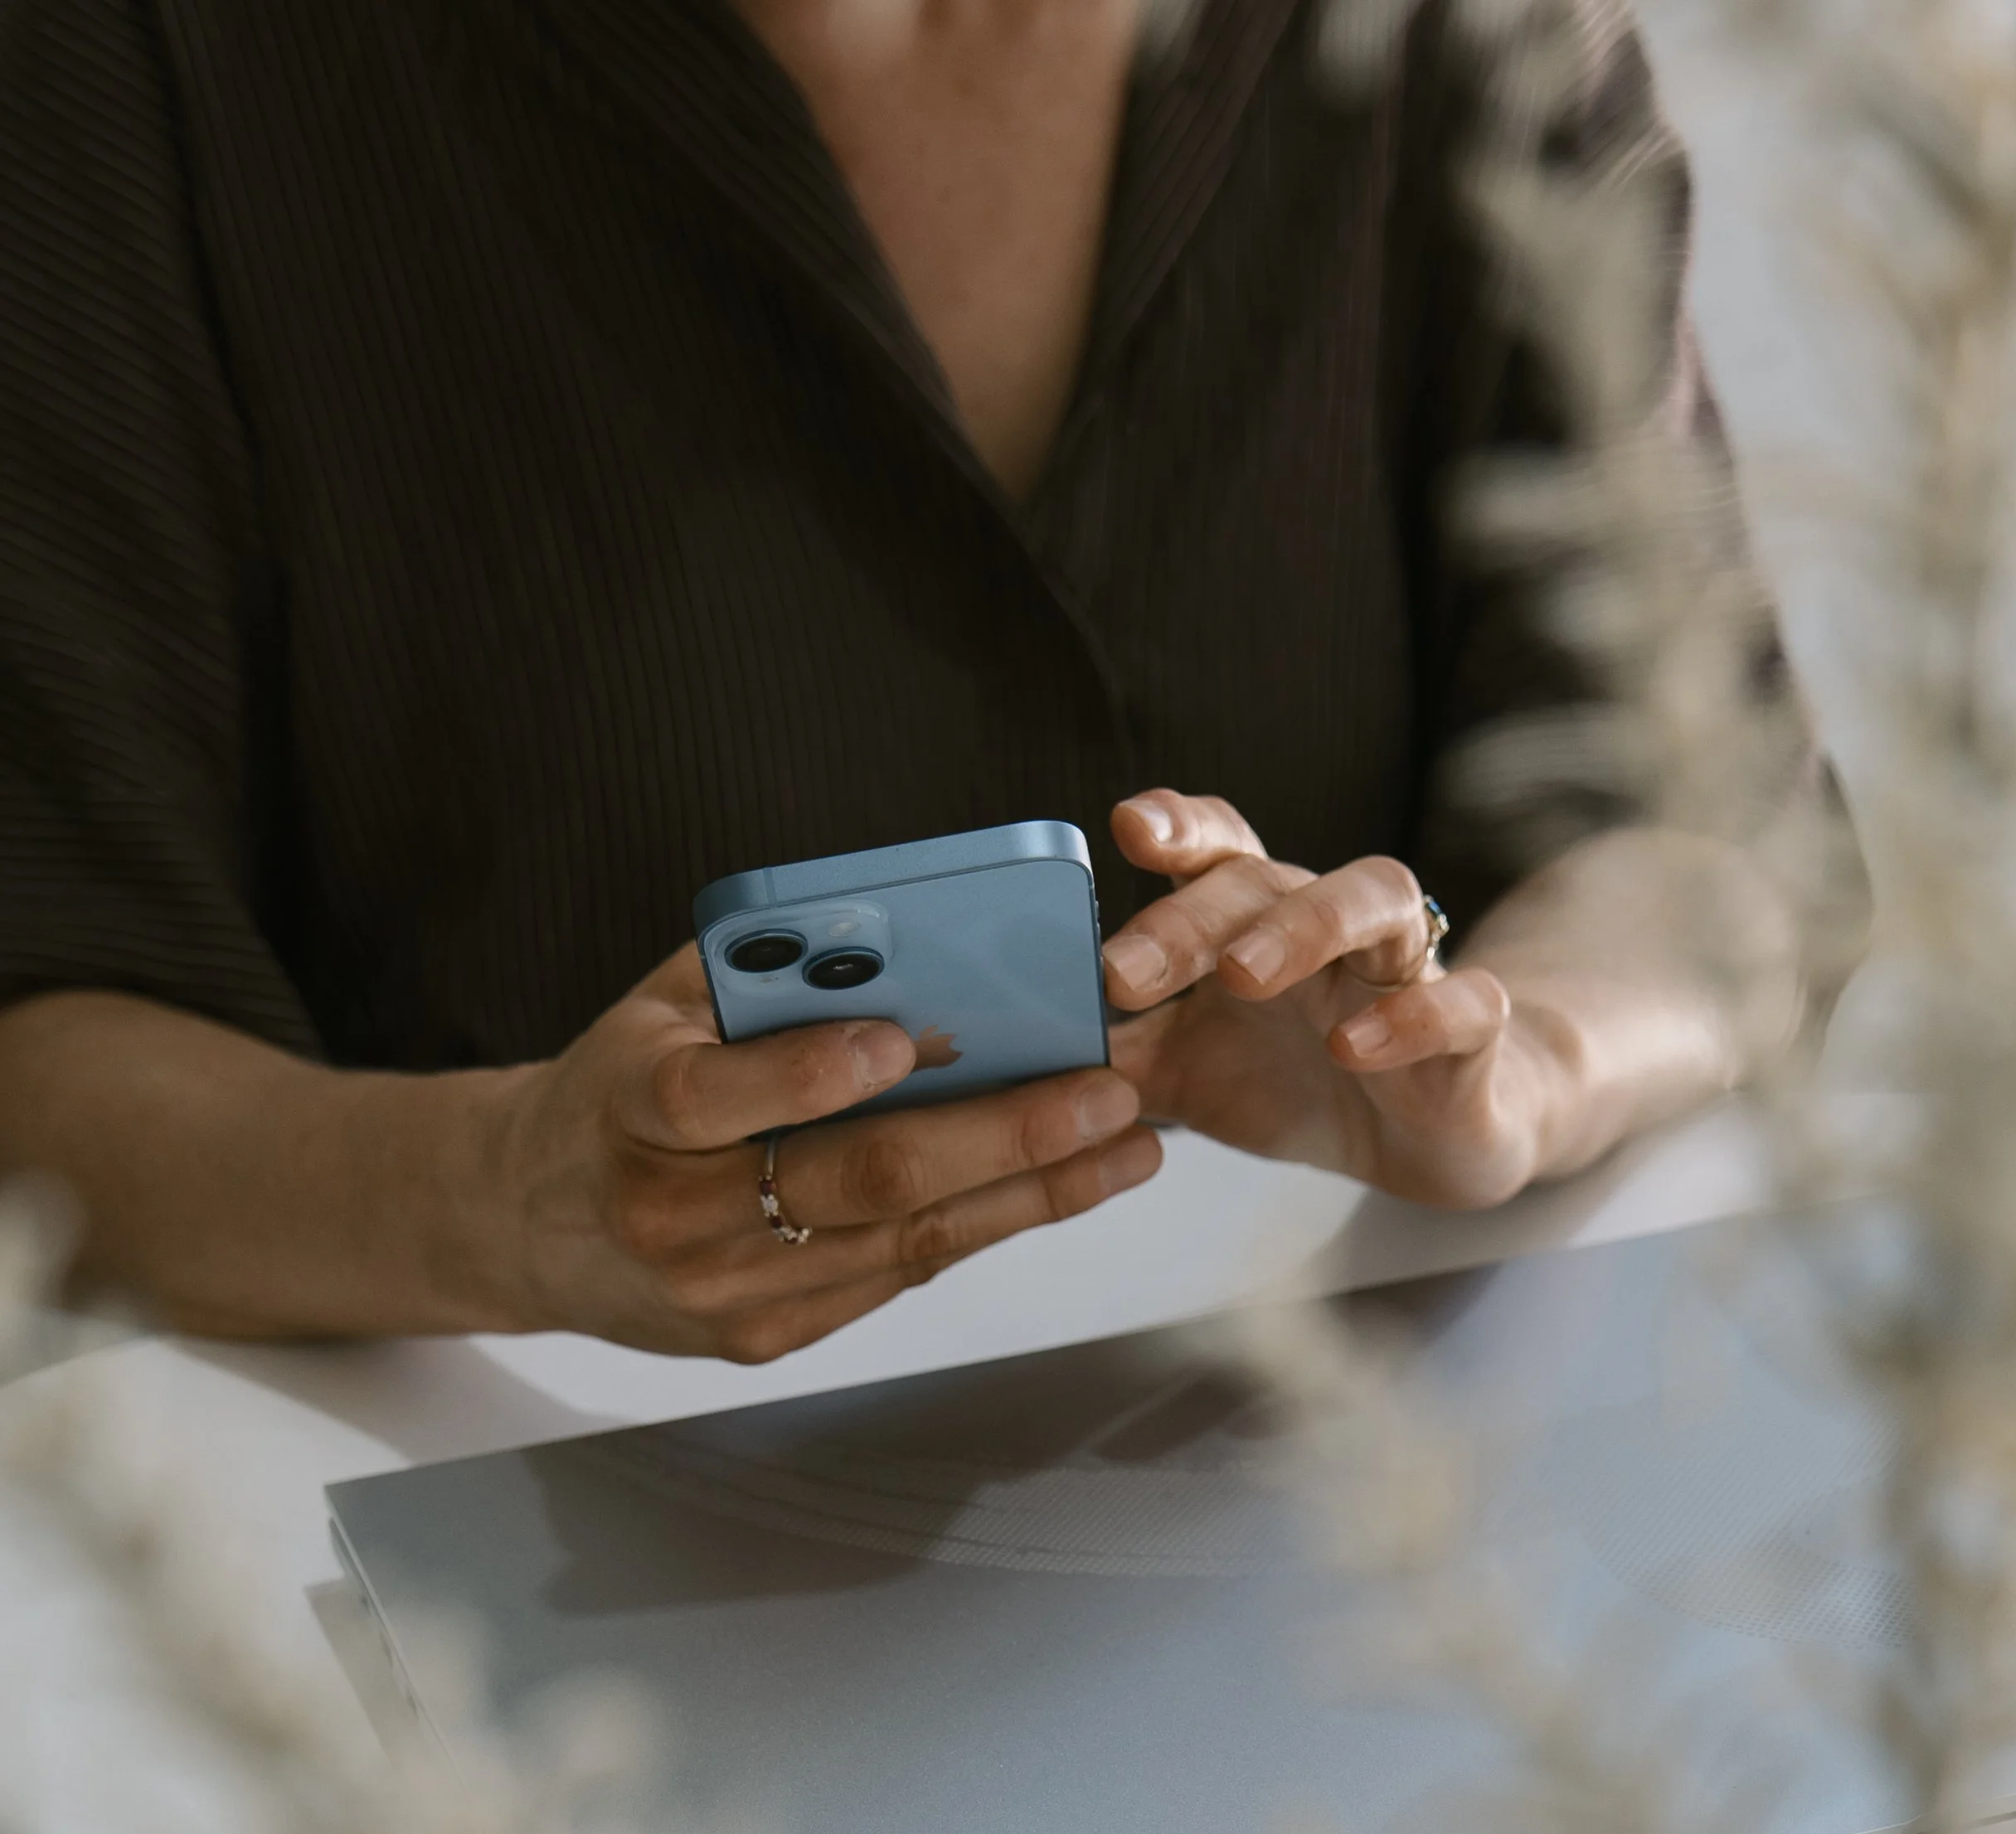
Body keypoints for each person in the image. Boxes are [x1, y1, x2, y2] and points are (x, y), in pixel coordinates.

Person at [0, 0, 1855, 1361]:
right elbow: (49, 1028)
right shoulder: (144, 67)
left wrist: (1501, 1064)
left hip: (1340, 1554)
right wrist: (508, 1199)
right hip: (504, 1580)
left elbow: (1711, 836)